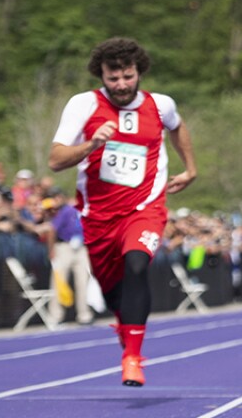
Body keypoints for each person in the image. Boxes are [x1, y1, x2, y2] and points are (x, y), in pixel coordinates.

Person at [48, 37, 197, 387]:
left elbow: (178, 127)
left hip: (144, 208)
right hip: (97, 216)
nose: (121, 85)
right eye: (112, 78)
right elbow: (55, 160)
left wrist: (190, 168)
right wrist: (92, 144)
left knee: (136, 264)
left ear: (138, 72)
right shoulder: (84, 105)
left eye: (127, 77)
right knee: (116, 294)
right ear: (101, 75)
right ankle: (126, 326)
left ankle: (132, 357)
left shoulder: (161, 105)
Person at [45, 191, 94, 325]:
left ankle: (84, 315)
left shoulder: (87, 211)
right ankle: (55, 316)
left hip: (82, 249)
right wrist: (51, 250)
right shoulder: (67, 211)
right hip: (64, 248)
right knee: (59, 281)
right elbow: (52, 229)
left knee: (83, 282)